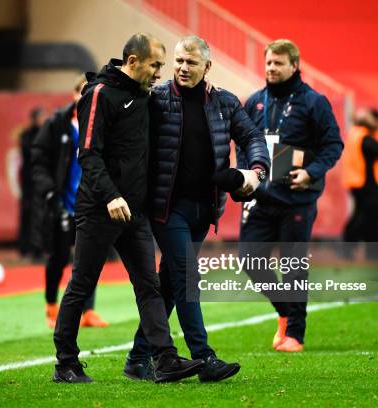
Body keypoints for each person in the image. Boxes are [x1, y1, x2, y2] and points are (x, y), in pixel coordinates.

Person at [52, 33, 205, 383]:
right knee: (82, 284)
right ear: (133, 62)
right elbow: (88, 154)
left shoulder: (143, 95)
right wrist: (110, 196)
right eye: (155, 65)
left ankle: (164, 359)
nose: (159, 73)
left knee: (149, 286)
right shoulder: (99, 95)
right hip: (100, 208)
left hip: (133, 212)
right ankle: (65, 363)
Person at [124, 36, 270, 382]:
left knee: (172, 285)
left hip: (204, 211)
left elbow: (252, 138)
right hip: (166, 208)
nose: (182, 68)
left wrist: (256, 171)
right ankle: (204, 358)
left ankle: (137, 356)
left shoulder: (224, 102)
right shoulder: (155, 99)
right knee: (187, 277)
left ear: (207, 67)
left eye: (190, 62)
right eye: (178, 61)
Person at [237, 39, 344, 352]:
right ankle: (285, 311)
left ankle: (295, 334)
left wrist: (311, 172)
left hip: (297, 199)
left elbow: (333, 145)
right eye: (268, 62)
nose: (271, 68)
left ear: (294, 66)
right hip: (261, 197)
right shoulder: (255, 101)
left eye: (278, 63)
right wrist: (247, 175)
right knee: (250, 260)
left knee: (294, 265)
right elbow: (243, 143)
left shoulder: (314, 102)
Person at [31, 76, 108, 329]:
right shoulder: (57, 125)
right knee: (58, 257)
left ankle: (89, 310)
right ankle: (51, 306)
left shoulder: (102, 124)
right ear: (74, 94)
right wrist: (50, 193)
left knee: (90, 256)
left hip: (90, 202)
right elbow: (38, 160)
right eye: (82, 92)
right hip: (61, 203)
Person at [342, 108, 378, 246]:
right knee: (365, 217)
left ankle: (368, 247)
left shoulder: (357, 134)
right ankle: (351, 245)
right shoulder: (365, 136)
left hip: (361, 182)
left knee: (363, 216)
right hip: (366, 183)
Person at [19, 107, 46, 259]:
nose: (42, 120)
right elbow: (31, 155)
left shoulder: (47, 133)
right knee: (28, 213)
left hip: (42, 181)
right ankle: (26, 247)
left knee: (42, 215)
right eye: (40, 117)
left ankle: (40, 247)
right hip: (29, 182)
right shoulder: (26, 136)